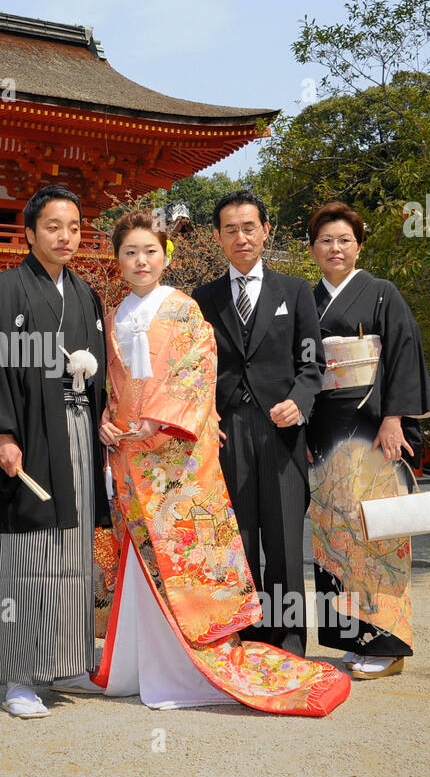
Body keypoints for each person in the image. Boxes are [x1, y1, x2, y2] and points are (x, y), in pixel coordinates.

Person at [91, 211, 349, 715]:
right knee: (182, 552)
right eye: (129, 252)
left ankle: (272, 644)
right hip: (148, 450)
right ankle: (150, 658)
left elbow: (197, 370)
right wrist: (109, 419)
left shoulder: (191, 307)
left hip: (186, 449)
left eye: (150, 251)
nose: (141, 261)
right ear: (117, 259)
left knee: (258, 544)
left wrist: (162, 423)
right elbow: (115, 385)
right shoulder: (119, 313)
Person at [0, 184, 107, 718]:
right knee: (29, 553)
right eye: (54, 227)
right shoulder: (5, 290)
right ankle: (20, 676)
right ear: (30, 233)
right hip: (32, 434)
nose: (66, 237)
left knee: (74, 547)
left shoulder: (85, 294)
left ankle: (68, 662)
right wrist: (2, 435)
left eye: (75, 228)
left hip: (79, 429)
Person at [305, 201, 430, 679]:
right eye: (325, 241)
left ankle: (387, 644)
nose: (335, 249)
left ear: (358, 245)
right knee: (333, 532)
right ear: (313, 248)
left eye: (344, 240)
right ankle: (349, 637)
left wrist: (394, 419)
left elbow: (402, 354)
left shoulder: (382, 293)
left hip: (374, 424)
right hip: (322, 427)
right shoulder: (306, 299)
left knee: (377, 531)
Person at [192, 190, 324, 657]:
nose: (241, 237)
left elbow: (312, 363)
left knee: (285, 539)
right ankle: (245, 636)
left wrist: (300, 401)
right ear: (217, 237)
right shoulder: (202, 298)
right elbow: (195, 367)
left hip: (282, 429)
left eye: (250, 227)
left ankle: (288, 641)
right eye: (231, 229)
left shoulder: (295, 291)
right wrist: (205, 413)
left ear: (266, 230)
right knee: (239, 537)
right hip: (227, 430)